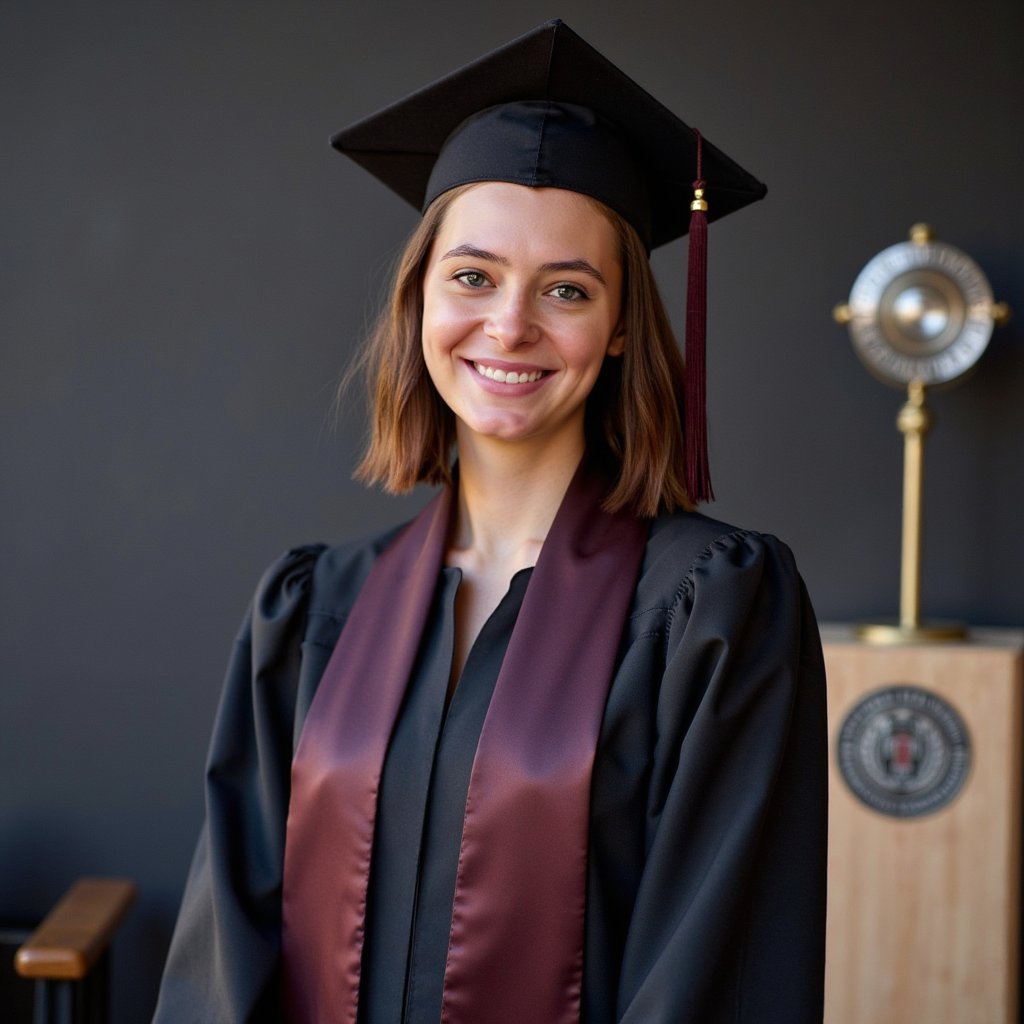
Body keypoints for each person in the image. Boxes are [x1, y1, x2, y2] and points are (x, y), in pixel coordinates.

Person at [153, 19, 827, 1024]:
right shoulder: (312, 612)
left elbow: (717, 976)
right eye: (471, 276)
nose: (509, 324)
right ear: (417, 300)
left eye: (566, 288)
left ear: (621, 330)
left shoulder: (712, 612)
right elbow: (224, 959)